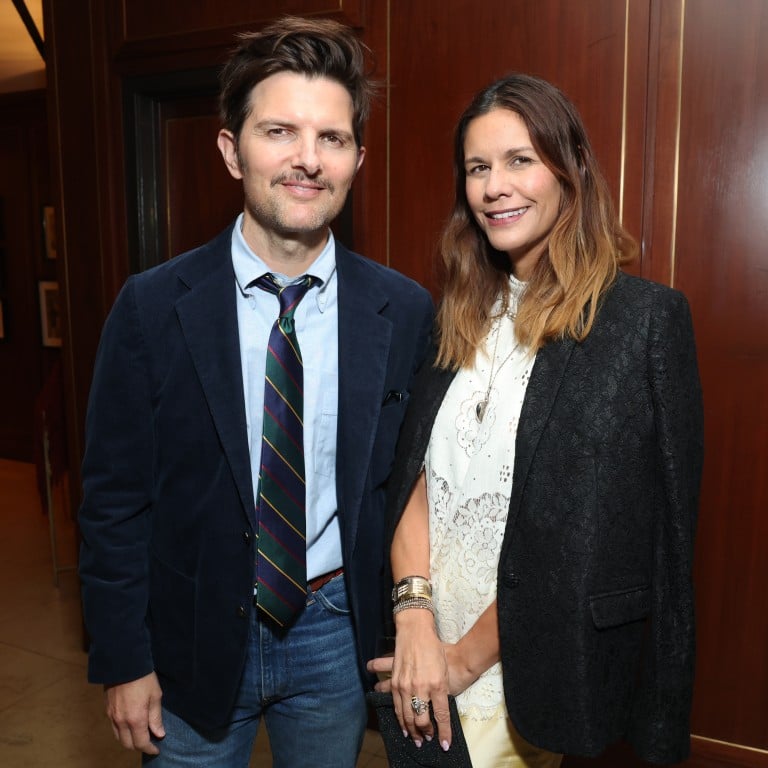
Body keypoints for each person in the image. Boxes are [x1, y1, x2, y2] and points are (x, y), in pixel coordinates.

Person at [78, 16, 433, 768]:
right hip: (191, 629)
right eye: (279, 132)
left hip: (335, 633)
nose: (307, 159)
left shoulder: (402, 312)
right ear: (230, 149)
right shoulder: (151, 307)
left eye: (332, 138)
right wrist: (123, 657)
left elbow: (410, 487)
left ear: (357, 159)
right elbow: (113, 500)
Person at [367, 73, 703, 767]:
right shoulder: (456, 314)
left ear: (569, 168)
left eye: (519, 160)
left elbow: (594, 541)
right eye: (477, 168)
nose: (495, 187)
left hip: (526, 670)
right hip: (418, 654)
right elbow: (413, 481)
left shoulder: (641, 323)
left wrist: (463, 661)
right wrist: (414, 617)